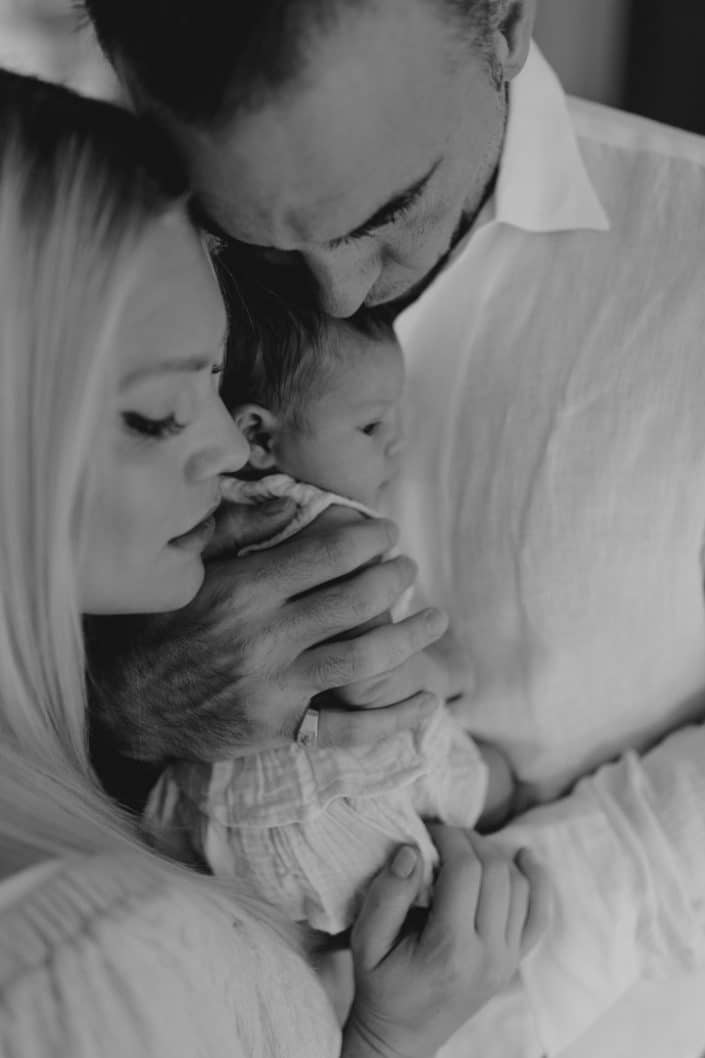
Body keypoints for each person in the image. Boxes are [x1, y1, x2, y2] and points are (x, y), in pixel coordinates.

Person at [79, 0, 705, 1054]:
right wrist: (117, 704)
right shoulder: (86, 249)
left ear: (502, 19)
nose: (339, 287)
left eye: (388, 210)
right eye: (259, 241)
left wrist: (473, 942)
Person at [0, 68, 552, 1058]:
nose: (228, 448)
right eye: (157, 412)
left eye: (217, 382)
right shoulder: (84, 959)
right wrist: (391, 1038)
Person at [144, 296, 515, 934]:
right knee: (499, 789)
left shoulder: (214, 514)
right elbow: (370, 682)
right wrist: (451, 669)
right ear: (260, 435)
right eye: (370, 428)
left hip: (235, 803)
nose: (395, 447)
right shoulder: (327, 522)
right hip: (337, 805)